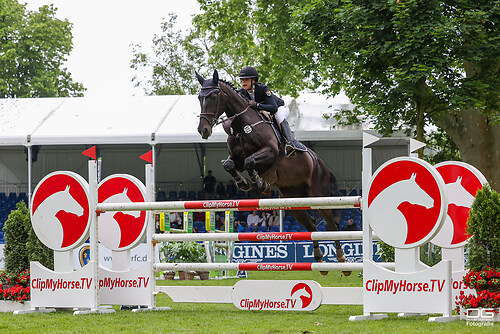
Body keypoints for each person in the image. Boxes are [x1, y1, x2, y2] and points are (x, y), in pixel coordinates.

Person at [238, 66, 306, 157]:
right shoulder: (242, 93)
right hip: (264, 111)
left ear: (253, 80)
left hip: (279, 108)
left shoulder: (264, 89)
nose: (243, 82)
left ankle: (290, 143)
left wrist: (257, 105)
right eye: (242, 80)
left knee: (279, 117)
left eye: (246, 79)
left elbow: (274, 108)